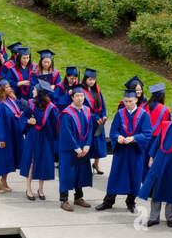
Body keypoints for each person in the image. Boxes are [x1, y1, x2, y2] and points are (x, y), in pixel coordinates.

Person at [96, 81, 153, 213]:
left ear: (136, 99)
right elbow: (113, 131)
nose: (128, 104)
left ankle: (131, 202)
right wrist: (118, 138)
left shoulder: (143, 115)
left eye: (130, 101)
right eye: (126, 101)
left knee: (134, 177)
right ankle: (108, 201)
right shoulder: (120, 114)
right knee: (115, 175)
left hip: (135, 152)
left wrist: (134, 138)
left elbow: (147, 134)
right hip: (121, 151)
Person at [140, 103, 172, 227]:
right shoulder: (166, 126)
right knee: (156, 189)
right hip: (159, 162)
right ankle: (154, 217)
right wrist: (152, 157)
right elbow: (157, 142)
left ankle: (170, 218)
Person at [20, 80, 58, 201]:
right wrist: (27, 121)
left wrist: (55, 139)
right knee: (31, 163)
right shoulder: (30, 104)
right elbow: (22, 117)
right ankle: (28, 188)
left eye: (34, 90)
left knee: (42, 162)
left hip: (45, 138)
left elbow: (55, 125)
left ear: (40, 93)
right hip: (32, 137)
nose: (32, 91)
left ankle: (40, 189)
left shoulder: (51, 108)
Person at [57, 82, 93, 211]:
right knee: (67, 173)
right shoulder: (66, 114)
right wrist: (77, 148)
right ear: (72, 97)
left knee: (80, 173)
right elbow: (66, 134)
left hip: (83, 149)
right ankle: (64, 199)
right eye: (77, 95)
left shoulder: (87, 111)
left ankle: (78, 197)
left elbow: (90, 129)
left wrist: (87, 146)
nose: (80, 98)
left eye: (82, 96)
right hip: (69, 150)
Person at [0, 79, 25, 194]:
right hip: (0, 138)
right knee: (0, 160)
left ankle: (4, 181)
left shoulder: (11, 100)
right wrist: (1, 139)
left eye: (9, 86)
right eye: (7, 87)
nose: (10, 88)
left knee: (8, 160)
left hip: (11, 136)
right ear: (1, 89)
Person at [83, 69, 107, 175]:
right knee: (89, 143)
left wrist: (104, 115)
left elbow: (103, 104)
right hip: (88, 121)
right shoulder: (82, 91)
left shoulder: (97, 90)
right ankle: (87, 166)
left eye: (93, 79)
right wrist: (94, 117)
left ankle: (96, 164)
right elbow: (84, 107)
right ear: (85, 79)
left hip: (99, 122)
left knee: (99, 144)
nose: (92, 81)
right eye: (90, 79)